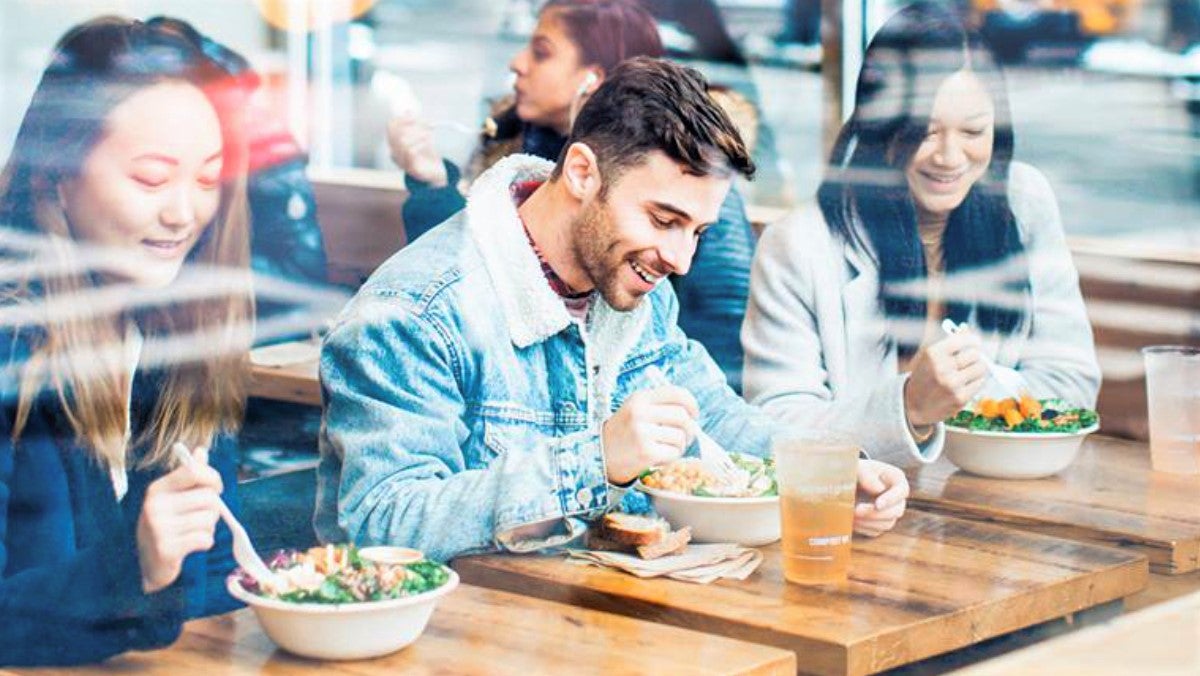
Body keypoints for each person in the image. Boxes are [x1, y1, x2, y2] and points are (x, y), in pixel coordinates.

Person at [316, 57, 909, 562]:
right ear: (581, 173)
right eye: (663, 220)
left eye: (697, 231)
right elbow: (383, 522)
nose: (680, 258)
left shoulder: (634, 281)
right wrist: (597, 460)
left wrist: (826, 471)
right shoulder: (415, 310)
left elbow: (720, 422)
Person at [741, 2, 1100, 468]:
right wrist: (909, 408)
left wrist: (956, 397)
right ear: (879, 128)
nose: (950, 157)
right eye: (925, 133)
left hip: (997, 494)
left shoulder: (1024, 201)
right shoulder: (799, 245)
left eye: (974, 130)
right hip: (858, 512)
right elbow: (776, 422)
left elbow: (1069, 384)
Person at [0, 16, 253, 665]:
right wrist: (132, 568)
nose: (183, 213)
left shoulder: (179, 335)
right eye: (150, 178)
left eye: (206, 180)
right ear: (53, 174)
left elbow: (211, 586)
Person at [390, 0, 758, 391]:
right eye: (663, 221)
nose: (516, 62)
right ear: (580, 174)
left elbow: (720, 332)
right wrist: (431, 185)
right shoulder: (506, 151)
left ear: (593, 80)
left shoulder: (690, 181)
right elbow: (461, 278)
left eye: (542, 51)